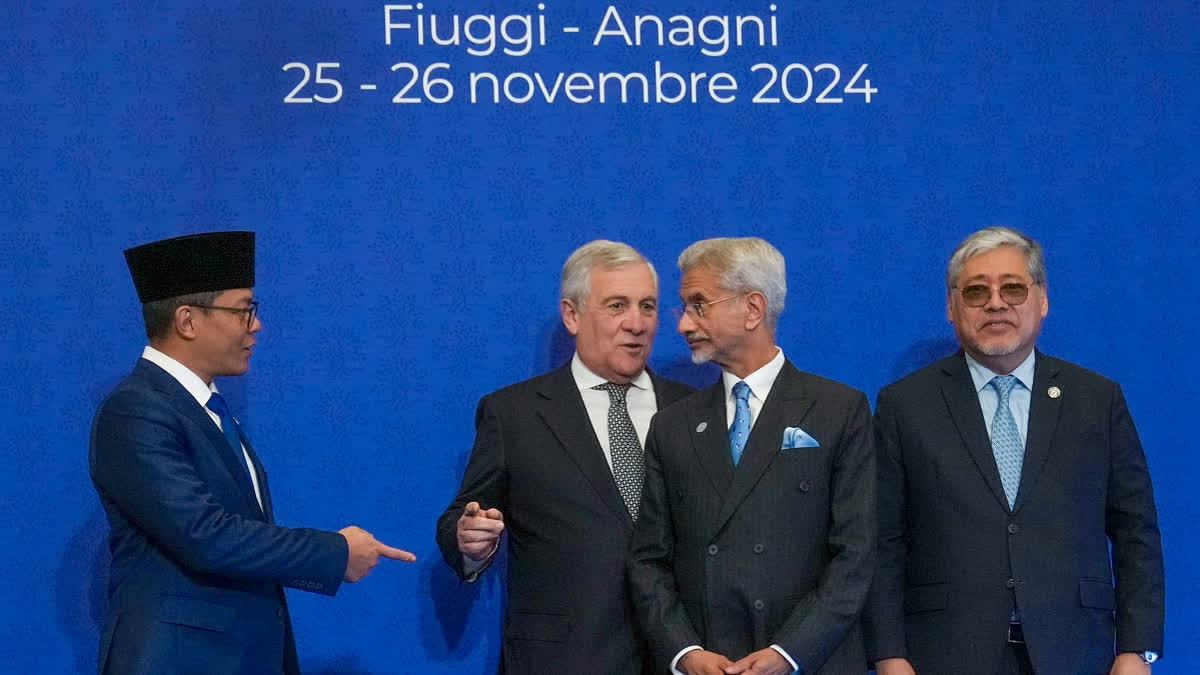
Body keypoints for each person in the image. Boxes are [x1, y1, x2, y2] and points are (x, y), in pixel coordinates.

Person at [90, 231, 414, 675]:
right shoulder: (137, 410)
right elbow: (206, 536)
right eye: (244, 310)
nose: (256, 325)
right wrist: (334, 553)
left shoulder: (206, 409)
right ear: (187, 321)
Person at [865, 226, 1165, 675]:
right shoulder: (905, 404)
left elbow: (1135, 531)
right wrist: (889, 656)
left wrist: (1137, 650)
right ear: (951, 307)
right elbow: (883, 539)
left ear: (1042, 299)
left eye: (1012, 288)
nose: (996, 303)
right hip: (944, 654)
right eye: (975, 291)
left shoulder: (1096, 400)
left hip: (1077, 651)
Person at [435, 240, 694, 673]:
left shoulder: (694, 412)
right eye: (617, 305)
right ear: (572, 315)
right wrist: (469, 543)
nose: (636, 323)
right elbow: (463, 515)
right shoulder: (514, 414)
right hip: (563, 658)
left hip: (678, 658)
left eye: (647, 306)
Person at [628, 237, 876, 675]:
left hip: (812, 662)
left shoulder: (839, 410)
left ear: (753, 308)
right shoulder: (672, 426)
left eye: (699, 304)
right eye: (683, 307)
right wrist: (685, 653)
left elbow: (856, 553)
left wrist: (790, 653)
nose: (684, 324)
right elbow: (648, 560)